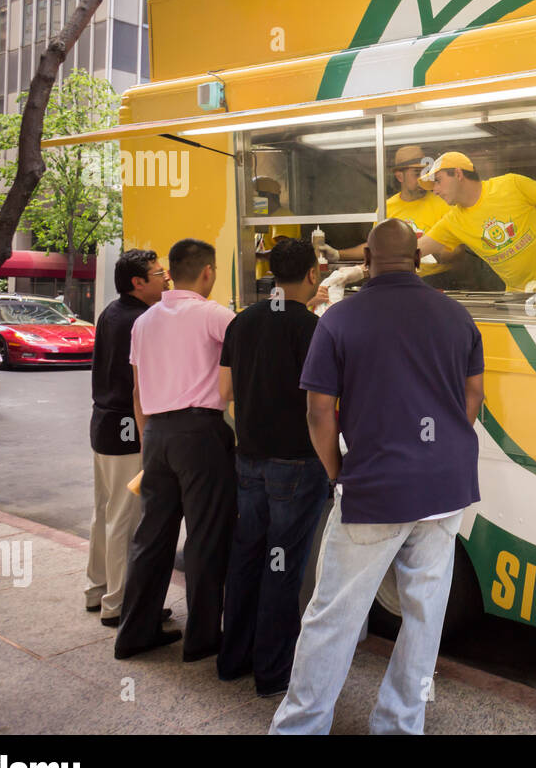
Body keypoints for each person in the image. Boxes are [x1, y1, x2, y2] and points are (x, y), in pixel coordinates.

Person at [270, 218, 484, 735]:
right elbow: (473, 395)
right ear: (418, 260)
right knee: (425, 616)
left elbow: (318, 412)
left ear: (366, 261)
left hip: (374, 487)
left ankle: (300, 727)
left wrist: (337, 472)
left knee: (333, 616)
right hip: (446, 488)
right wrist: (442, 451)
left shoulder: (340, 319)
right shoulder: (457, 315)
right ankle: (399, 724)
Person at [217, 238, 330, 696]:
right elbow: (324, 403)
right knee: (282, 565)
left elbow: (224, 391)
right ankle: (272, 672)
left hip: (249, 458)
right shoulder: (314, 329)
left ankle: (232, 660)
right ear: (312, 274)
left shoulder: (241, 321)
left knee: (247, 556)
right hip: (297, 463)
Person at [114, 239, 238, 661]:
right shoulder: (214, 315)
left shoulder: (144, 321)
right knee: (206, 537)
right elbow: (248, 354)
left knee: (151, 537)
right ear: (207, 272)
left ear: (172, 274)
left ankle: (135, 632)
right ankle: (202, 639)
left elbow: (137, 391)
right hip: (200, 434)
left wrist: (148, 442)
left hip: (156, 435)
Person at [86, 249, 171, 628]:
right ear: (138, 282)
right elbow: (141, 387)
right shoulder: (142, 320)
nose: (166, 278)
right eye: (158, 273)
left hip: (103, 425)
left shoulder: (111, 312)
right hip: (127, 429)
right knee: (125, 519)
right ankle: (118, 604)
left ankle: (97, 590)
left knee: (105, 513)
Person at [415, 150, 536, 291]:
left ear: (458, 174)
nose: (435, 190)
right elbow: (416, 249)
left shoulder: (511, 184)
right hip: (519, 297)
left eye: (438, 181)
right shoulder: (453, 222)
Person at [316, 144, 462, 289]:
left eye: (425, 173)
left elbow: (459, 250)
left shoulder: (443, 203)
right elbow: (375, 247)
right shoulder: (387, 208)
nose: (423, 179)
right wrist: (338, 254)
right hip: (397, 282)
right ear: (399, 176)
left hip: (437, 282)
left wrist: (434, 252)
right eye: (417, 174)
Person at [253, 176, 301, 281]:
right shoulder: (264, 218)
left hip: (277, 281)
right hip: (263, 281)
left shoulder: (283, 217)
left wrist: (255, 255)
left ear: (268, 197)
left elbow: (283, 252)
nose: (253, 203)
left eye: (255, 199)